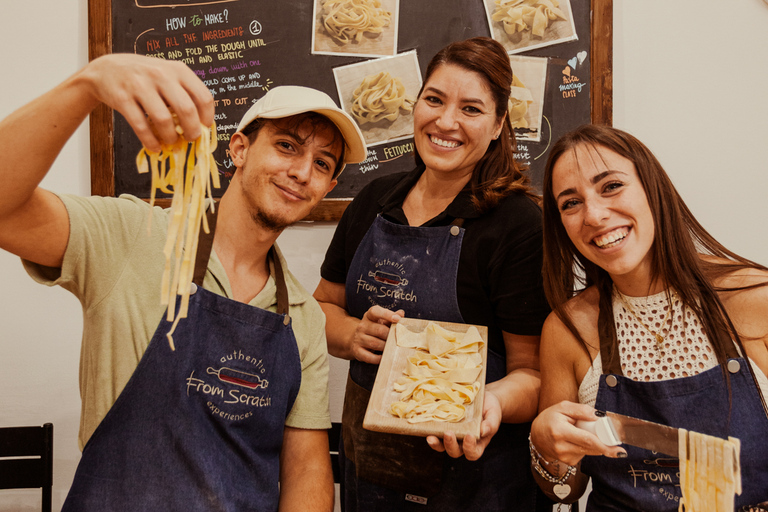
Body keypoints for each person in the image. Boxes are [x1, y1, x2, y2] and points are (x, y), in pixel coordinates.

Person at [0, 53, 367, 511]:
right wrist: (87, 85)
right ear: (238, 149)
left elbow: (306, 470)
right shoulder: (132, 236)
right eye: (287, 146)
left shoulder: (303, 319)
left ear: (328, 187)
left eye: (322, 163)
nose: (301, 172)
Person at [313, 37, 552, 511]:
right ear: (416, 102)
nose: (446, 122)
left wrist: (489, 404)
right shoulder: (373, 202)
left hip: (479, 479)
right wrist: (354, 335)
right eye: (434, 99)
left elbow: (534, 374)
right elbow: (321, 307)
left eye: (471, 108)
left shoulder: (519, 223)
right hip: (372, 469)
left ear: (499, 123)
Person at [529, 124, 768, 510]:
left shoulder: (756, 299)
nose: (593, 215)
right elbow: (565, 490)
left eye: (610, 186)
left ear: (652, 189)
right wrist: (544, 446)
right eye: (570, 203)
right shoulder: (568, 328)